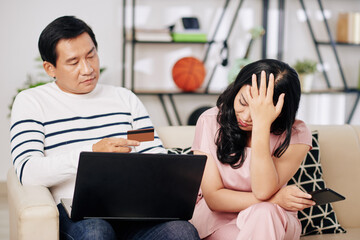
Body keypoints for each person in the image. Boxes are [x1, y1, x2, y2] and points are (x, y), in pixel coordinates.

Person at [10, 16, 200, 240]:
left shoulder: (125, 99)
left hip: (135, 210)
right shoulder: (32, 102)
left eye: (91, 55)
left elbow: (152, 150)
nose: (87, 68)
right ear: (50, 68)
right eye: (73, 62)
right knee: (96, 232)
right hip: (77, 214)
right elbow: (28, 171)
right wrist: (92, 154)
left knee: (182, 232)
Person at [190, 59, 316, 240]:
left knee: (264, 212)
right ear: (235, 90)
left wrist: (261, 126)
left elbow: (263, 190)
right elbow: (214, 198)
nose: (246, 117)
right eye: (242, 102)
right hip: (219, 220)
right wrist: (276, 199)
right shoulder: (209, 121)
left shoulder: (297, 134)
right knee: (265, 209)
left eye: (259, 110)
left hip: (274, 219)